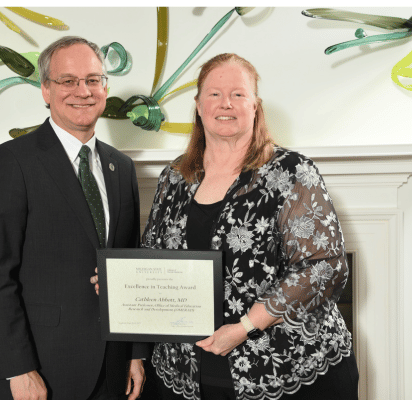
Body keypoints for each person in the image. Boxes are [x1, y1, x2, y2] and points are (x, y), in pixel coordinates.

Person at [140, 53, 359, 400]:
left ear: (255, 106)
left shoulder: (291, 172)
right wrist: (114, 282)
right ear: (198, 105)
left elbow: (324, 266)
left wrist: (245, 327)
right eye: (214, 94)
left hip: (282, 365)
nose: (225, 103)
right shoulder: (174, 177)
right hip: (189, 370)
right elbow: (152, 257)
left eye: (238, 94)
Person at [0, 36, 146, 400]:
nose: (83, 90)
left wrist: (136, 352)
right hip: (39, 371)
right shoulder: (10, 162)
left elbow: (131, 266)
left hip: (113, 369)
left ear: (105, 88)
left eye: (93, 80)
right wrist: (17, 368)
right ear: (46, 91)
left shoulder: (121, 167)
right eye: (68, 81)